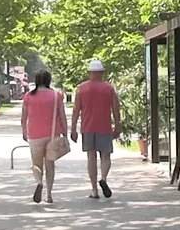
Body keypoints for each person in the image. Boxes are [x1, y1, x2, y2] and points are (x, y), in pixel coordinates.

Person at [70, 59, 120, 199]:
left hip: (88, 127)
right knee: (105, 156)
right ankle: (103, 178)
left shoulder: (82, 88)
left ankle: (94, 190)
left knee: (91, 158)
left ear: (89, 73)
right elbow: (116, 108)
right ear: (102, 73)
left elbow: (76, 110)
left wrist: (73, 128)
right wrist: (117, 125)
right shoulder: (109, 88)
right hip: (104, 127)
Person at [20, 70, 66, 204]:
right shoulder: (56, 96)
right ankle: (49, 194)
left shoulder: (29, 96)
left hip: (35, 134)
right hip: (53, 134)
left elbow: (24, 117)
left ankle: (39, 182)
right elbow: (62, 115)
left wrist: (24, 131)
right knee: (50, 164)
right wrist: (65, 132)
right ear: (49, 81)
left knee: (36, 164)